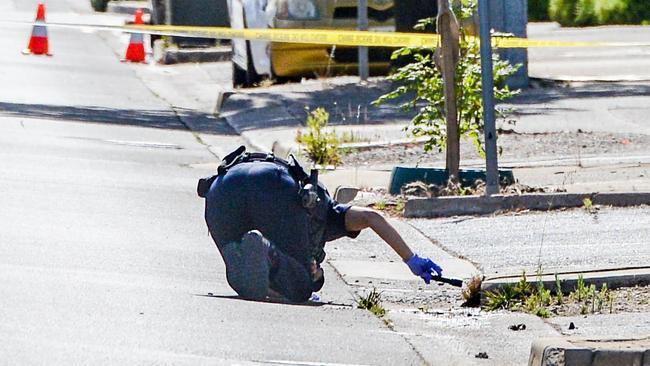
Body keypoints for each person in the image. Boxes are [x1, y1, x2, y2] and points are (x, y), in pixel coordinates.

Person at [198, 146, 443, 302]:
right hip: (270, 185)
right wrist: (411, 258)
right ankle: (259, 252)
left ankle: (240, 252)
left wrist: (411, 259)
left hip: (221, 189)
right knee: (301, 290)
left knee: (243, 263)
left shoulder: (319, 220)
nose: (315, 266)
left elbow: (371, 218)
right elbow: (371, 217)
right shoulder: (328, 215)